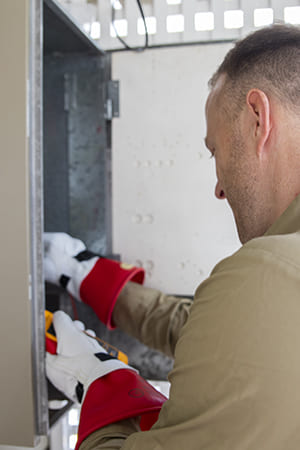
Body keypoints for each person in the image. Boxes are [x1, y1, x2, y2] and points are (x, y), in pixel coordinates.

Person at [45, 23, 300, 449]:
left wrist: (102, 387)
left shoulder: (270, 271)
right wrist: (90, 274)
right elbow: (224, 340)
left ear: (258, 118)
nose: (218, 188)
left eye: (215, 150)